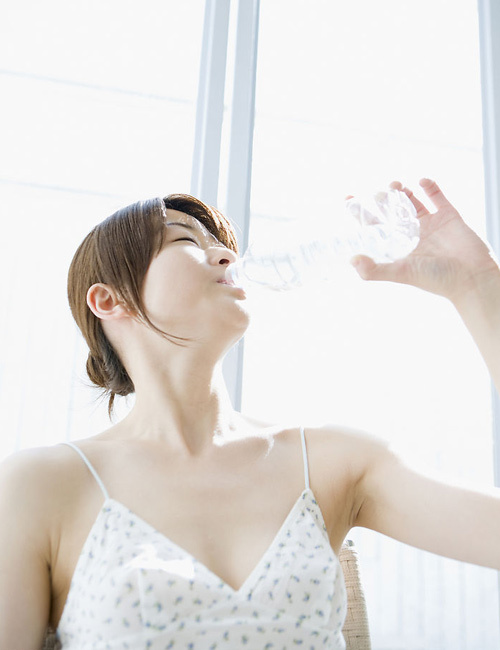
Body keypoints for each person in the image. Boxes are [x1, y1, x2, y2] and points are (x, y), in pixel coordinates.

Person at [0, 178, 499, 649]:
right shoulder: (43, 484)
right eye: (185, 240)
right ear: (109, 299)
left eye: (222, 244)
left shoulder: (333, 462)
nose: (226, 255)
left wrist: (478, 283)